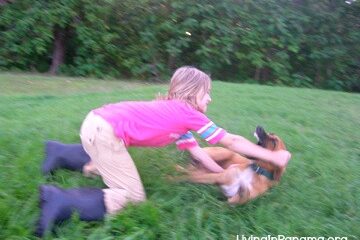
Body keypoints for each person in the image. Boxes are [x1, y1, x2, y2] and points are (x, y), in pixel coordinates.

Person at [36, 66, 291, 237]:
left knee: (107, 156)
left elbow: (199, 154)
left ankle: (59, 152)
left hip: (96, 125)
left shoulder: (177, 117)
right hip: (103, 134)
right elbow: (231, 141)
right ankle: (60, 200)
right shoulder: (186, 112)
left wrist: (221, 174)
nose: (210, 99)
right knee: (133, 198)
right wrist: (273, 156)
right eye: (208, 93)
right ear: (192, 93)